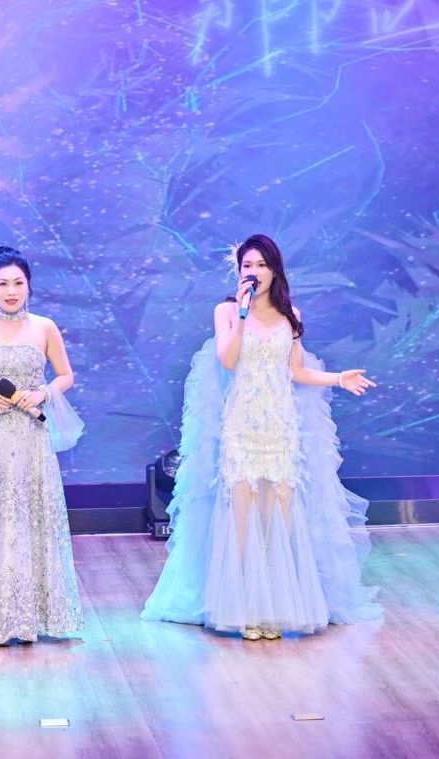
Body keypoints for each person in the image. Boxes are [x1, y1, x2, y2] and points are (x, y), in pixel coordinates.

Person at [142, 234, 382, 640]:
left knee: (278, 520)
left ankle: (274, 612)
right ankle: (244, 611)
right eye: (246, 266)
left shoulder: (290, 316)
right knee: (241, 516)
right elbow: (228, 359)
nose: (253, 272)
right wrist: (241, 313)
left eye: (260, 265)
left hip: (280, 428)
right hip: (242, 426)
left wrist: (339, 378)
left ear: (274, 270)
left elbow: (297, 372)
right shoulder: (226, 311)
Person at [0, 246, 86, 645]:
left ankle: (30, 618)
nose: (11, 291)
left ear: (29, 286)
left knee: (32, 519)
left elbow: (66, 375)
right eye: (3, 284)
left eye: (18, 283)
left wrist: (43, 393)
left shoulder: (44, 328)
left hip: (31, 441)